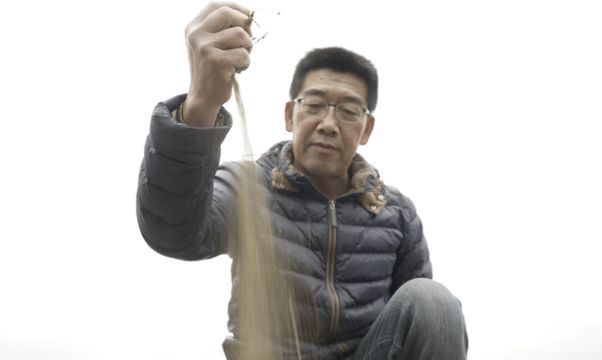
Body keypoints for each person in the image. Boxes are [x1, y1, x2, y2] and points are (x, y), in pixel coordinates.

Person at [136, 2, 468, 359]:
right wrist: (201, 103)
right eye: (314, 104)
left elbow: (424, 333)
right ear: (290, 115)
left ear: (367, 129)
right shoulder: (249, 187)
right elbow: (173, 231)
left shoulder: (397, 214)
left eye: (348, 111)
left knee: (434, 302)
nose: (328, 123)